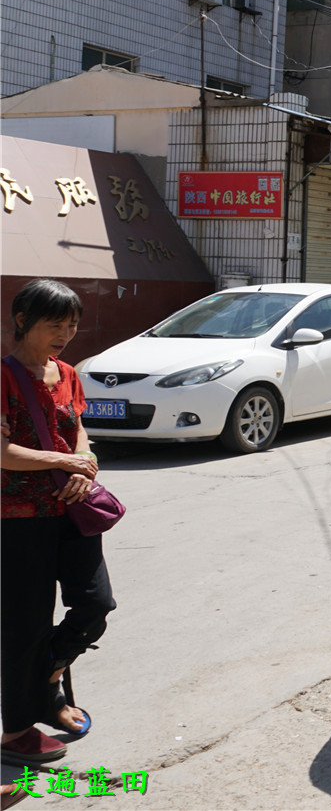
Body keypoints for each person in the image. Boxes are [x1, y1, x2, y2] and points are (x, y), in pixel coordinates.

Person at [1, 280, 113, 767]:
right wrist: (63, 461)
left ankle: (49, 683)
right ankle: (18, 731)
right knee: (25, 625)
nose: (66, 333)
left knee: (94, 604)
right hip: (18, 520)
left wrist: (84, 459)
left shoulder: (68, 373)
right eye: (55, 324)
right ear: (23, 321)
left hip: (72, 511)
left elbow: (80, 430)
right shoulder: (3, 378)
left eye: (71, 324)